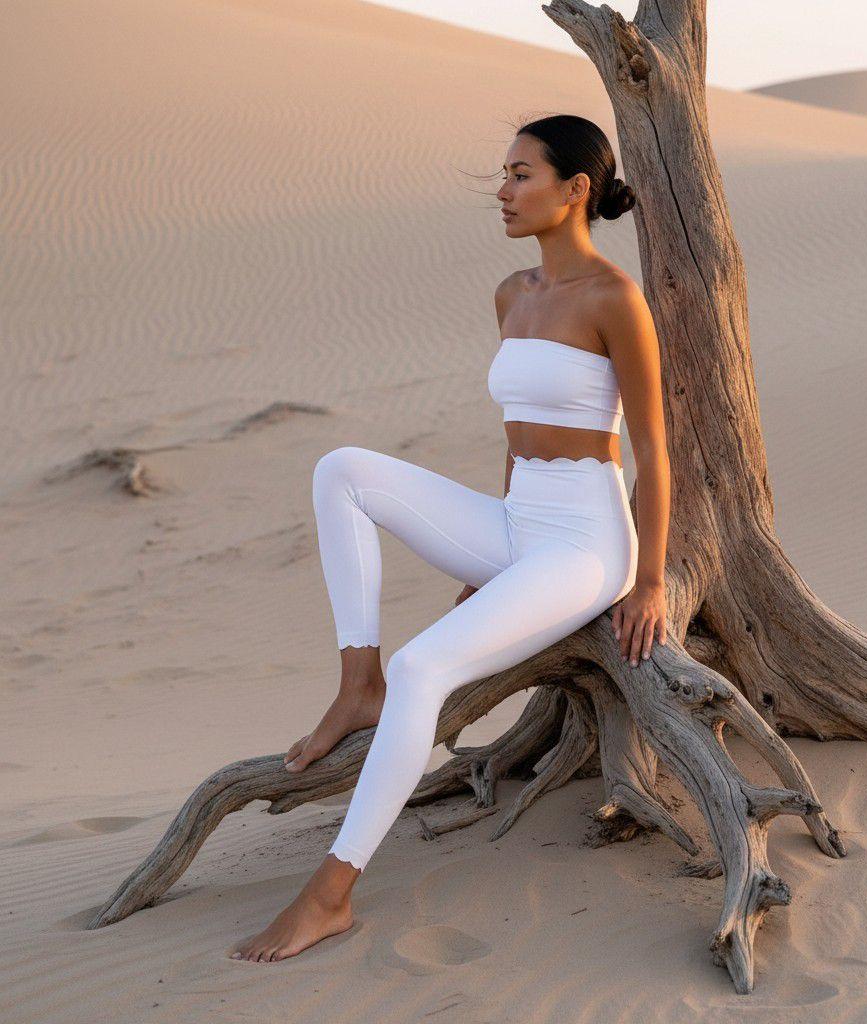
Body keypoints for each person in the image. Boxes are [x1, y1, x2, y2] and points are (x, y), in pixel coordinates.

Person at [228, 114, 671, 963]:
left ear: (575, 190)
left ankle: (331, 893)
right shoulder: (513, 293)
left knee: (425, 668)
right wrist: (488, 561)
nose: (502, 192)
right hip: (518, 521)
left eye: (520, 175)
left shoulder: (616, 299)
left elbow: (652, 448)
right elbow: (516, 438)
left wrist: (648, 581)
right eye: (503, 175)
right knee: (342, 469)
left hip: (585, 542)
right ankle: (357, 684)